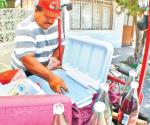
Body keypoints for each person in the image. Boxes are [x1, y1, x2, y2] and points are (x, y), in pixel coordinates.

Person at [11, 0, 68, 94]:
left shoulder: (56, 24)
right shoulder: (25, 27)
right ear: (36, 10)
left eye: (54, 17)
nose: (50, 21)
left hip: (44, 70)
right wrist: (51, 77)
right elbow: (27, 60)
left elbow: (60, 45)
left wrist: (53, 58)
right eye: (47, 16)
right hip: (24, 72)